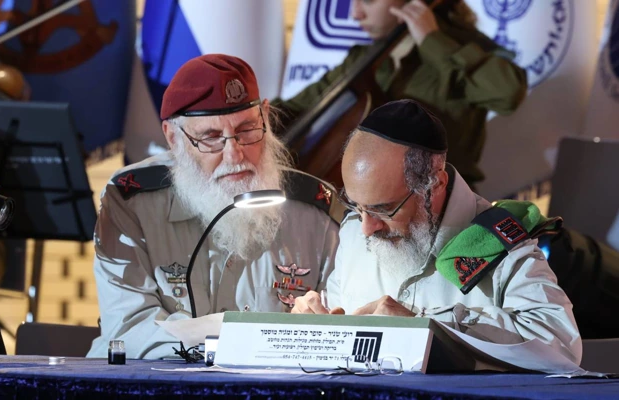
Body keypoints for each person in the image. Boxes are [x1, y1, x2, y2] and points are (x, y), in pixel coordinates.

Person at [87, 54, 340, 359]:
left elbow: (344, 320)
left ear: (265, 116)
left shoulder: (315, 211)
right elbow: (129, 328)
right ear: (173, 137)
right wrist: (240, 346)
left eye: (246, 130)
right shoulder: (133, 202)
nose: (235, 154)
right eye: (211, 137)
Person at [293, 99, 581, 365]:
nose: (367, 229)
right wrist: (315, 322)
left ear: (435, 184)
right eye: (356, 206)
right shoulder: (354, 231)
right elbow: (339, 327)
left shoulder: (499, 243)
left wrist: (426, 327)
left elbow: (562, 348)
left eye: (384, 209)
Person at [274, 0, 527, 186]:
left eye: (368, 1)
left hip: (442, 209)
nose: (356, 13)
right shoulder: (362, 58)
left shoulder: (464, 46)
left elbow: (507, 93)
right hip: (363, 208)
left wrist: (431, 39)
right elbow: (295, 108)